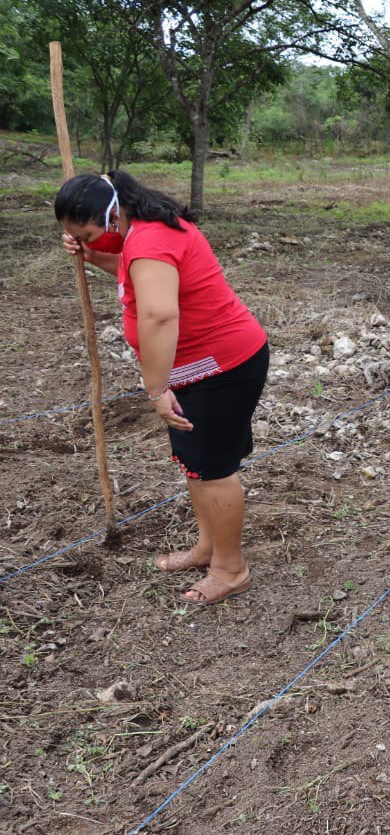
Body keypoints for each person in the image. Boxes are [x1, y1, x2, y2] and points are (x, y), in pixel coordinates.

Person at [55, 171, 268, 605]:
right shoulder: (142, 234)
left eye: (91, 233)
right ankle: (209, 548)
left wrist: (155, 389)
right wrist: (93, 256)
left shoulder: (150, 240)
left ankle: (231, 569)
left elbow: (158, 316)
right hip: (196, 369)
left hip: (220, 368)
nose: (89, 241)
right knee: (195, 464)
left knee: (212, 470)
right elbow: (137, 273)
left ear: (114, 213)